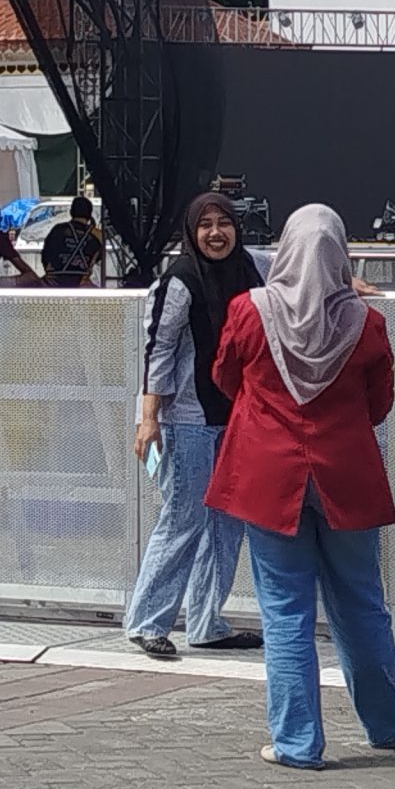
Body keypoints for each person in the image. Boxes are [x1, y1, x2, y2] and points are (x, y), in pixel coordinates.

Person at [206, 203, 395, 768]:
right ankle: (386, 719)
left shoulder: (247, 310)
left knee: (285, 610)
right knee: (360, 601)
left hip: (268, 476)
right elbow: (379, 405)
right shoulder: (367, 323)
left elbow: (225, 377)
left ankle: (297, 742)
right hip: (345, 475)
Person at [123, 192, 267, 659]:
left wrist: (347, 285)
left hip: (236, 418)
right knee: (183, 518)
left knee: (228, 522)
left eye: (223, 222)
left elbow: (302, 274)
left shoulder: (251, 270)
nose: (215, 233)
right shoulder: (180, 279)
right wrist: (149, 420)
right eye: (204, 224)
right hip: (184, 419)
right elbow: (157, 351)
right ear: (191, 231)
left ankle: (207, 622)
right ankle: (148, 621)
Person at [41, 195, 107, 286]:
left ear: (71, 212)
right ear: (89, 214)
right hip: (81, 282)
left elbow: (46, 254)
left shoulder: (58, 230)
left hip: (55, 279)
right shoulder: (96, 235)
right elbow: (99, 257)